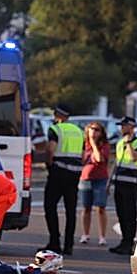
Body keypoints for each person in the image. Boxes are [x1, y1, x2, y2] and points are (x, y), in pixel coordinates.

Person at [43, 105, 85, 255]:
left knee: (50, 205)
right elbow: (84, 154)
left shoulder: (55, 129)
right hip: (75, 173)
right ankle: (69, 245)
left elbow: (50, 149)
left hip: (59, 171)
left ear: (57, 115)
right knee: (70, 209)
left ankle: (54, 241)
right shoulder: (79, 131)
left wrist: (49, 164)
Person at [109, 116, 137, 255]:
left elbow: (134, 157)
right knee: (121, 213)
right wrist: (109, 183)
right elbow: (116, 163)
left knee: (129, 214)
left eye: (124, 125)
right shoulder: (120, 143)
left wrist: (129, 142)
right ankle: (123, 241)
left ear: (131, 127)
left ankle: (129, 243)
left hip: (131, 183)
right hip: (119, 181)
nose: (121, 128)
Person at [78, 121, 111, 246]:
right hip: (86, 178)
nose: (94, 132)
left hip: (100, 178)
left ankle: (102, 236)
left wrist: (93, 143)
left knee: (100, 208)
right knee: (86, 207)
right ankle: (85, 234)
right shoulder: (83, 144)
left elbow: (99, 159)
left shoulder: (104, 145)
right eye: (92, 129)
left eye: (97, 130)